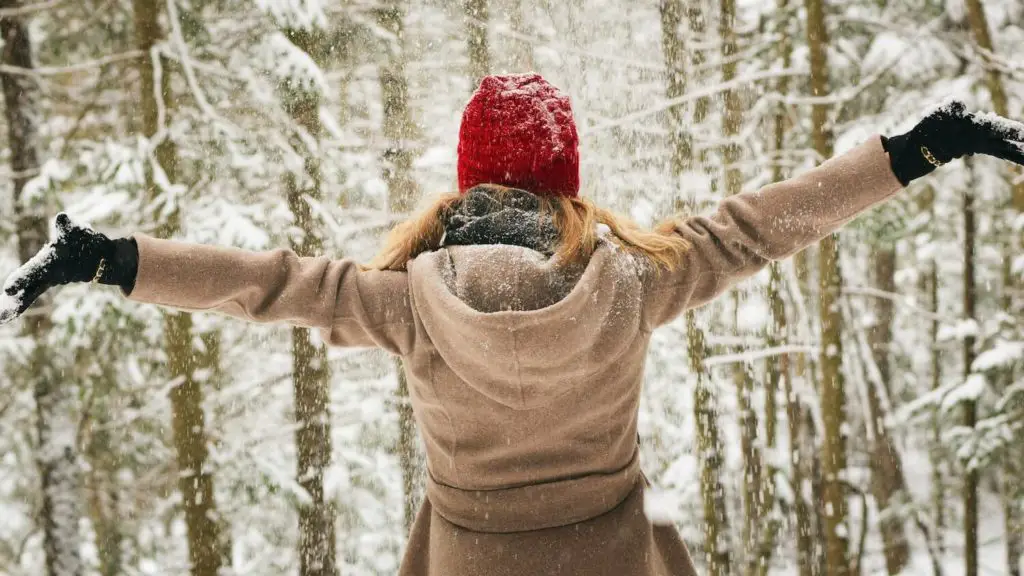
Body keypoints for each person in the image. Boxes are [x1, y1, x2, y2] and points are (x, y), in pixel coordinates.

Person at [2, 73, 1023, 576]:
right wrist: (918, 148)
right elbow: (763, 227)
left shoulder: (408, 302)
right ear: (567, 182)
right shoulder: (635, 281)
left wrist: (112, 260)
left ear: (466, 179)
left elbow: (270, 285)